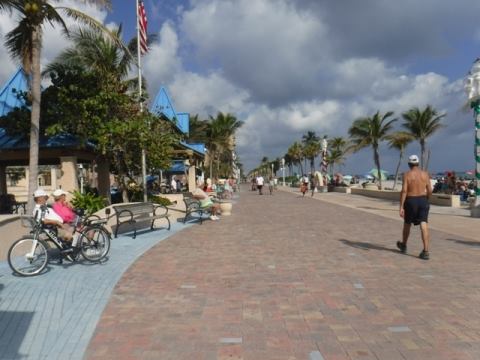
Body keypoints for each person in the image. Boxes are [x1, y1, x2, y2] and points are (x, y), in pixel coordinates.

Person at [397, 155, 433, 260]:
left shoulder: (407, 175)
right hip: (423, 200)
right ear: (418, 163)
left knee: (407, 223)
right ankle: (426, 251)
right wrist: (427, 199)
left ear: (409, 164)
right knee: (424, 223)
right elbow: (430, 190)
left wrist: (401, 207)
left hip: (411, 201)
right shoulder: (425, 174)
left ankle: (403, 245)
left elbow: (404, 191)